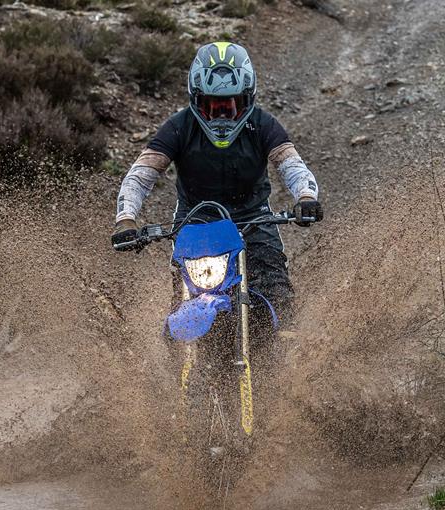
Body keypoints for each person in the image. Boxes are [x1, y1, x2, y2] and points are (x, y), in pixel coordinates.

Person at [111, 42, 322, 323]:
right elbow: (140, 176)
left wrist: (306, 197)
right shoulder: (179, 127)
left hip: (254, 223)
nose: (223, 115)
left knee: (279, 296)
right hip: (196, 225)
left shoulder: (262, 124)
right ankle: (178, 359)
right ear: (196, 98)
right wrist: (126, 219)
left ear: (248, 98)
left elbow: (292, 166)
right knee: (181, 304)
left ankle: (284, 363)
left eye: (231, 105)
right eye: (213, 106)